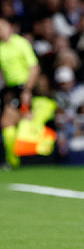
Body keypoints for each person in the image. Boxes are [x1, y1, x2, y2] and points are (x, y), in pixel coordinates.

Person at [0, 17, 40, 168]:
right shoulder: (1, 47)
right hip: (11, 90)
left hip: (24, 87)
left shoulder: (21, 43)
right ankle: (14, 160)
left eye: (1, 26)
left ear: (10, 27)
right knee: (10, 123)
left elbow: (34, 68)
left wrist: (27, 90)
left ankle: (16, 160)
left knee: (13, 121)